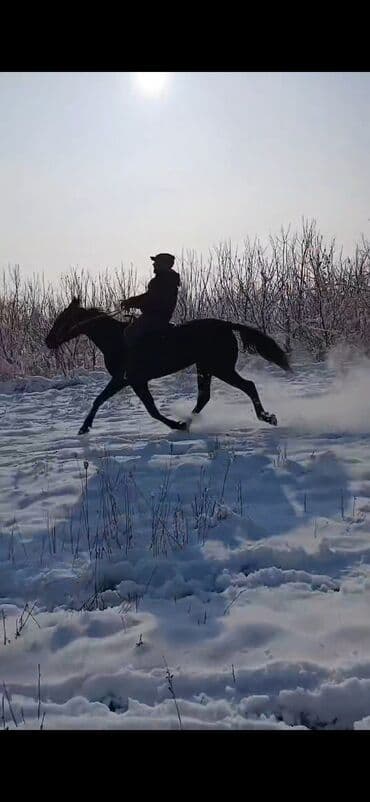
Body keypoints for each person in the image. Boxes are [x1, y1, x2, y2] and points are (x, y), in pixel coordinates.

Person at [121, 253, 181, 347]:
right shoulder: (165, 278)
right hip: (157, 316)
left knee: (129, 332)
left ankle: (138, 359)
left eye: (156, 262)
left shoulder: (163, 280)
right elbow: (149, 296)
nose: (154, 264)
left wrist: (132, 303)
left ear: (163, 264)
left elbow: (152, 300)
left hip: (155, 316)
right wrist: (131, 301)